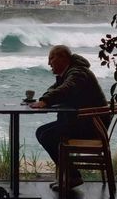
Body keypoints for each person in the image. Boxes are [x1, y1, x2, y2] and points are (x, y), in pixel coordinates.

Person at [30, 45, 108, 190]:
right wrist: (46, 97)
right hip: (83, 121)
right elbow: (55, 89)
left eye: (51, 58)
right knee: (42, 132)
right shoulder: (70, 72)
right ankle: (69, 175)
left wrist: (45, 101)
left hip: (91, 126)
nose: (48, 63)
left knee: (47, 135)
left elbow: (68, 88)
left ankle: (73, 176)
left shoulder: (78, 72)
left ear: (63, 59)